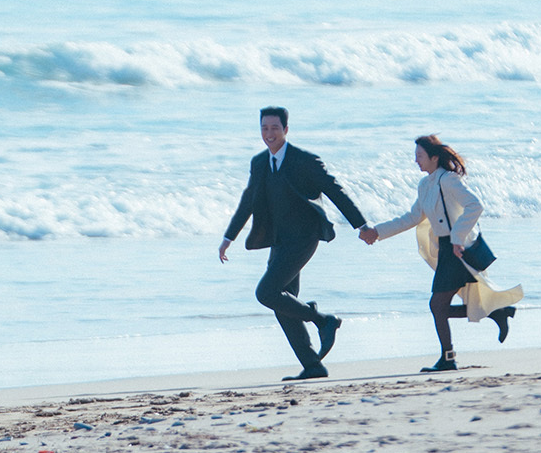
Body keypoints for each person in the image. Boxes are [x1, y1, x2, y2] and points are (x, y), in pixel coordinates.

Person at [220, 107, 369, 380]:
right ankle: (313, 365)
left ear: (286, 130)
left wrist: (361, 225)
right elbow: (249, 200)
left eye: (275, 128)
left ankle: (323, 320)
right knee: (283, 304)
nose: (269, 133)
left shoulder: (304, 160)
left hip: (304, 237)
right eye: (264, 128)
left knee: (266, 292)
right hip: (278, 241)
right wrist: (229, 237)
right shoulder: (260, 162)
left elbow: (335, 191)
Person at [359, 135, 514, 372]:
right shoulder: (425, 185)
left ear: (434, 157)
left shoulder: (448, 180)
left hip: (457, 250)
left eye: (420, 156)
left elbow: (475, 205)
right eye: (415, 156)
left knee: (437, 305)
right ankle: (494, 313)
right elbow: (412, 218)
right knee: (438, 306)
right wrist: (377, 232)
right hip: (446, 250)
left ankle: (449, 357)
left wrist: (457, 237)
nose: (416, 161)